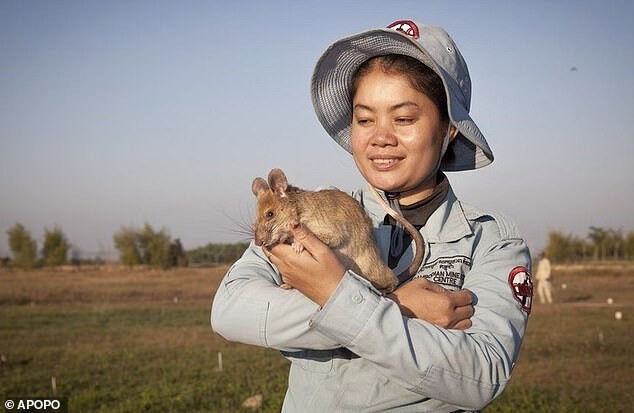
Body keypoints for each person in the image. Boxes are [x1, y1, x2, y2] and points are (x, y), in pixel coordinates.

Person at [211, 19, 533, 411]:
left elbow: (483, 374)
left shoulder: (492, 241)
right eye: (364, 119)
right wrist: (396, 306)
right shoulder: (304, 221)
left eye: (404, 119)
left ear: (449, 129)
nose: (381, 136)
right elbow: (230, 313)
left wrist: (335, 299)